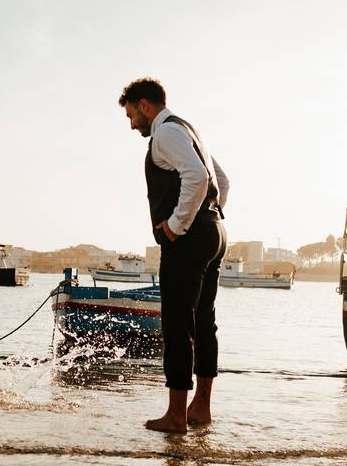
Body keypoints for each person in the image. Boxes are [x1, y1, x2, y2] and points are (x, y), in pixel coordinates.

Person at [118, 78, 229, 433]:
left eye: (132, 114)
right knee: (203, 322)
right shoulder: (189, 130)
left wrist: (178, 224)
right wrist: (210, 214)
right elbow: (221, 180)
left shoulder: (165, 133)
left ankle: (176, 416)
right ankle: (201, 409)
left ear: (145, 106)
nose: (132, 123)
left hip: (190, 237)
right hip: (214, 233)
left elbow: (197, 175)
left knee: (177, 325)